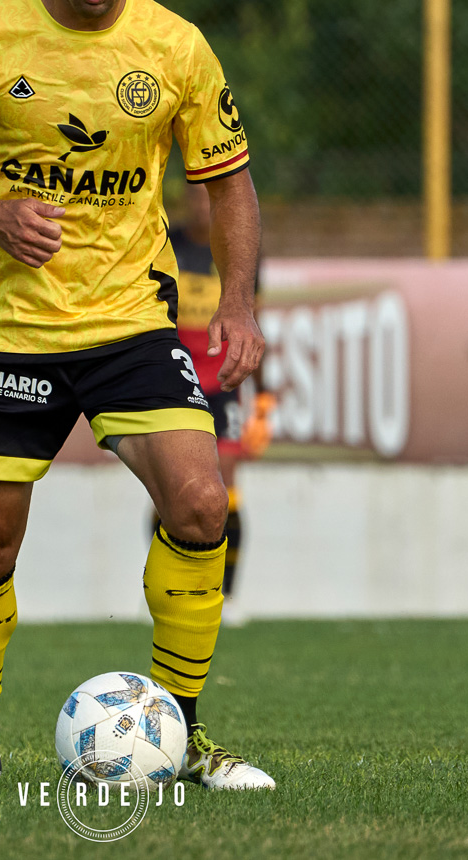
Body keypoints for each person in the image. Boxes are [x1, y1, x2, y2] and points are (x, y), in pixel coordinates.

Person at [0, 0, 274, 790]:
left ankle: (180, 739)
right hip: (7, 331)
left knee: (198, 504)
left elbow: (226, 179)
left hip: (129, 326)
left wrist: (236, 302)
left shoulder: (176, 47)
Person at [168, 183, 270, 623]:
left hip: (224, 381)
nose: (201, 206)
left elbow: (254, 323)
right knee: (172, 488)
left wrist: (262, 399)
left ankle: (226, 595)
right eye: (194, 197)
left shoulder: (236, 252)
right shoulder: (165, 245)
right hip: (175, 378)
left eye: (209, 199)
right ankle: (167, 590)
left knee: (224, 486)